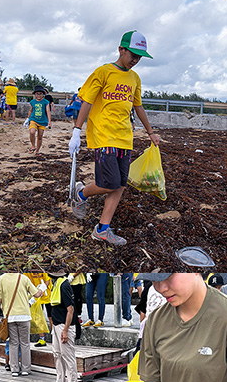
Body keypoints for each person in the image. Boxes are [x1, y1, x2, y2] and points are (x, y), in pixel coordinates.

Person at [68, 30, 162, 246]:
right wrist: (76, 130)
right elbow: (87, 101)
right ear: (121, 49)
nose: (136, 60)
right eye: (133, 55)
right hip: (103, 135)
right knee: (109, 182)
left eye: (139, 57)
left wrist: (150, 132)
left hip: (124, 137)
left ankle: (102, 229)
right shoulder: (103, 72)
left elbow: (138, 106)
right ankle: (81, 193)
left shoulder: (135, 78)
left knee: (119, 185)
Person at [0, 271, 39, 377]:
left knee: (13, 343)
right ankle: (25, 369)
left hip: (10, 317)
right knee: (25, 344)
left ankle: (14, 369)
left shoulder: (1, 279)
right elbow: (36, 294)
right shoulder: (23, 278)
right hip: (24, 315)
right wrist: (41, 289)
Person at [44, 274, 80, 382]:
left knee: (67, 354)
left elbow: (71, 309)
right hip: (56, 323)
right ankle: (60, 379)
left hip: (64, 325)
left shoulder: (63, 285)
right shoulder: (56, 284)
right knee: (57, 353)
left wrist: (65, 330)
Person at [28, 86, 52, 155]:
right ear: (35, 94)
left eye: (40, 94)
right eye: (37, 94)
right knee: (32, 132)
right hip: (33, 120)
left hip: (43, 121)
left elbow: (48, 112)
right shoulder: (32, 102)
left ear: (43, 94)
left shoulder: (46, 102)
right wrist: (27, 119)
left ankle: (37, 150)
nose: (39, 95)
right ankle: (33, 146)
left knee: (40, 136)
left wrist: (49, 121)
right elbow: (30, 110)